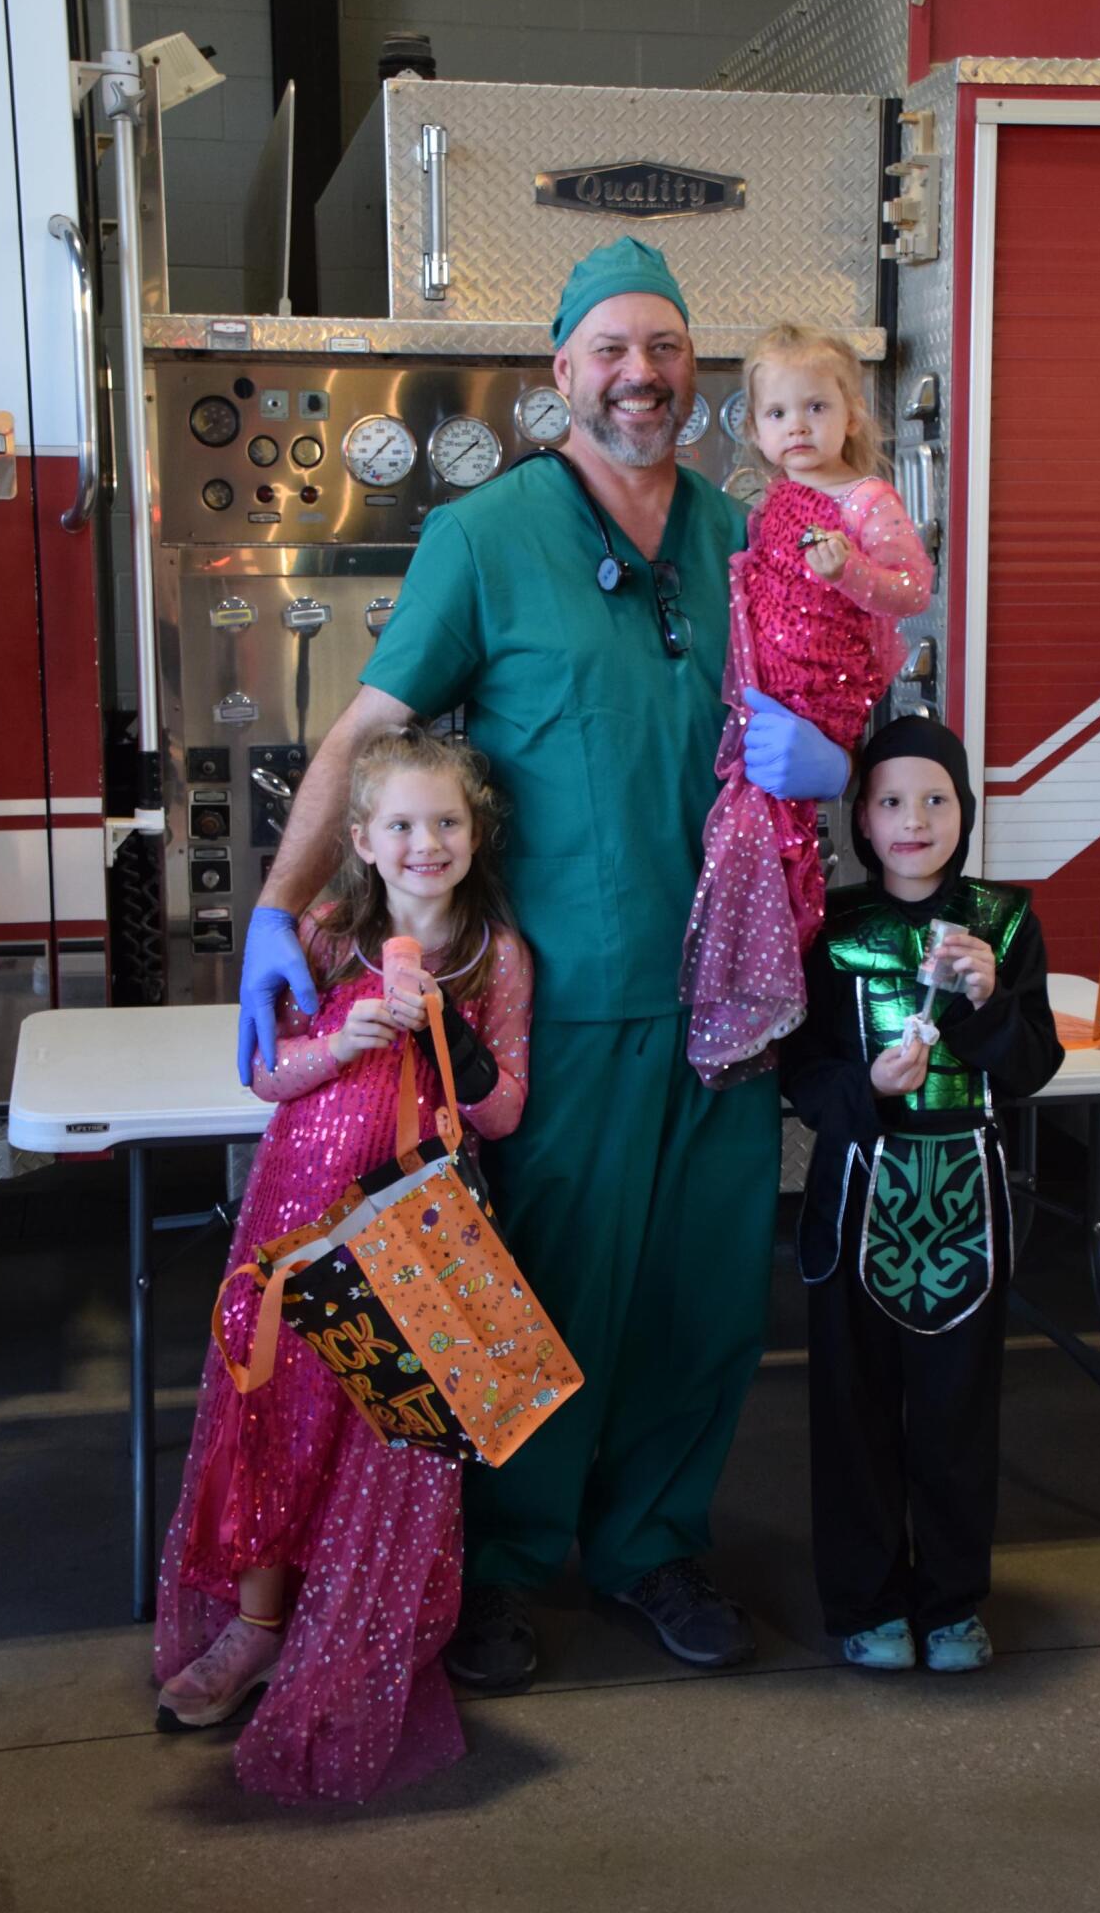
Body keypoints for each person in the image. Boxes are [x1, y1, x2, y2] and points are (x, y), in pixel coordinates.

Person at [234, 237, 852, 1689]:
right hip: (557, 1013)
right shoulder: (489, 538)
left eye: (666, 349)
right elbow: (363, 735)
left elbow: (836, 678)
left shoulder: (740, 532)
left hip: (728, 1006)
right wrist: (282, 908)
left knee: (704, 1300)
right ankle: (502, 1563)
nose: (641, 375)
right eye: (612, 351)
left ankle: (652, 1547)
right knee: (540, 1297)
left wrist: (833, 757)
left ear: (691, 374)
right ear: (560, 373)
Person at [155, 725, 531, 1801]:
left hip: (420, 1239)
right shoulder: (325, 934)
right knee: (277, 1426)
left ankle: (346, 1638)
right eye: (402, 824)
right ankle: (255, 1629)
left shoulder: (495, 953)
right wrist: (341, 1042)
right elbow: (268, 1078)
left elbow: (504, 1106)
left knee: (388, 1445)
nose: (426, 842)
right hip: (299, 1220)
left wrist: (446, 1034)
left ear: (475, 832)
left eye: (446, 821)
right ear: (360, 839)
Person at [779, 716, 1063, 1673]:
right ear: (860, 817)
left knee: (955, 1412)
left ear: (964, 812)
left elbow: (1031, 1067)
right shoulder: (832, 930)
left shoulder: (1005, 923)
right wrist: (868, 1091)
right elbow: (803, 1072)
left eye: (935, 799)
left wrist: (987, 1005)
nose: (914, 819)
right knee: (852, 1412)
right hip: (856, 1203)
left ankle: (950, 1603)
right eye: (891, 800)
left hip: (965, 1210)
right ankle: (862, 1603)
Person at [681, 323, 933, 1087]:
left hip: (822, 702)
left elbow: (912, 588)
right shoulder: (776, 502)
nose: (797, 427)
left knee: (781, 851)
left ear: (851, 414)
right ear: (754, 427)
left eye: (816, 407)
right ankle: (758, 995)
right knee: (748, 845)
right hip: (767, 702)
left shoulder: (866, 498)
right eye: (778, 413)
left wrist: (852, 572)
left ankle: (775, 994)